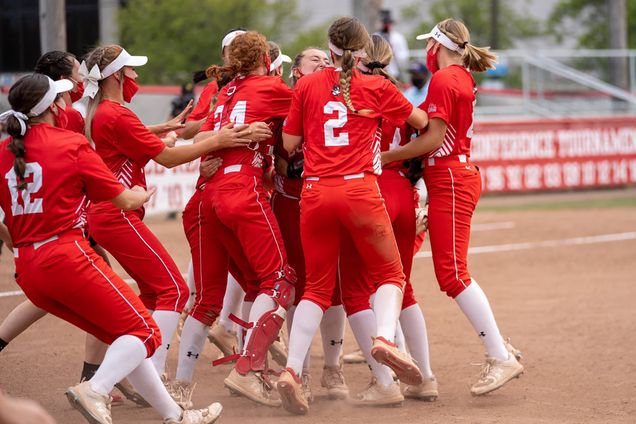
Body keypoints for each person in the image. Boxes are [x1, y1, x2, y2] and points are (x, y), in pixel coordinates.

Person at [0, 73, 221, 424]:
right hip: (66, 255)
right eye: (61, 98)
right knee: (145, 331)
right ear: (54, 107)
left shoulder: (5, 151)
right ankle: (96, 387)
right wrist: (141, 195)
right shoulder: (70, 145)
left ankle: (175, 416)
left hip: (28, 264)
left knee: (126, 335)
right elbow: (123, 197)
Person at [276, 17, 428, 415]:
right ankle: (383, 339)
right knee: (390, 275)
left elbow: (289, 143)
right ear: (362, 51)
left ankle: (292, 370)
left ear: (330, 49)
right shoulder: (377, 86)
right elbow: (421, 122)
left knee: (316, 290)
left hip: (315, 192)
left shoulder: (307, 85)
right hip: (360, 189)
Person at [81, 44, 252, 380]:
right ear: (116, 75)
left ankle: (128, 371)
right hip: (116, 217)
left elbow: (141, 140)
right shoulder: (115, 114)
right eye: (131, 70)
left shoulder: (104, 111)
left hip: (108, 216)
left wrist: (163, 130)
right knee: (175, 290)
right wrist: (218, 140)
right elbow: (167, 159)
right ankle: (146, 372)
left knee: (151, 294)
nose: (136, 76)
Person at [380, 18, 524, 396]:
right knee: (453, 273)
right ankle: (498, 347)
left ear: (438, 45)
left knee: (453, 275)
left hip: (450, 177)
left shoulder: (446, 79)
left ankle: (498, 354)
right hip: (448, 177)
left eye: (430, 44)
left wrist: (387, 155)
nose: (428, 51)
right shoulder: (456, 78)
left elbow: (435, 138)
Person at [176, 31, 294, 408]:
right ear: (265, 57)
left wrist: (232, 136)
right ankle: (249, 370)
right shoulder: (271, 86)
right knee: (279, 281)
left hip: (209, 196)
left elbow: (203, 131)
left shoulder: (224, 91)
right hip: (243, 192)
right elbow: (313, 112)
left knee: (209, 299)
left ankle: (179, 386)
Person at [338, 33, 438, 405]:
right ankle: (425, 376)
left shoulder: (353, 92)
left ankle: (384, 383)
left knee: (354, 290)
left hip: (370, 191)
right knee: (401, 287)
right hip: (404, 194)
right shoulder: (399, 94)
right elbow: (424, 128)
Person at [271, 47, 350, 403]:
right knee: (295, 286)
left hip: (329, 198)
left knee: (333, 288)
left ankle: (332, 366)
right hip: (291, 202)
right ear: (296, 72)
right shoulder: (284, 99)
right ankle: (297, 367)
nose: (322, 62)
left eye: (325, 58)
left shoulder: (340, 93)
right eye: (313, 60)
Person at [379, 9, 409, 80]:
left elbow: (405, 55)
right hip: (379, 72)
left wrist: (393, 51)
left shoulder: (398, 37)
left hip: (394, 72)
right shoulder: (376, 36)